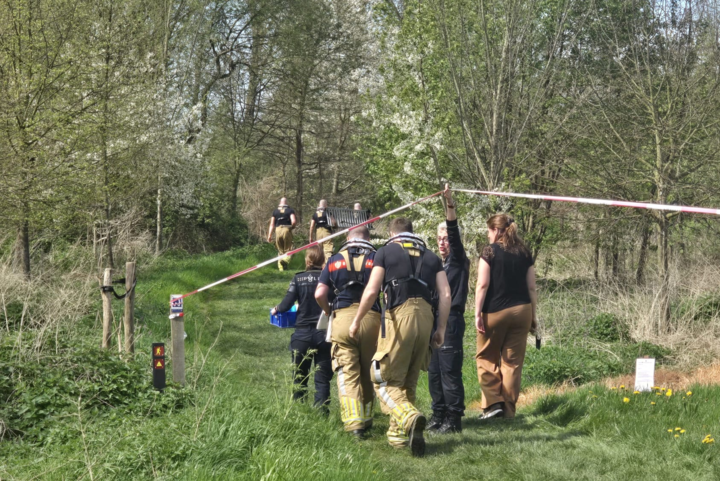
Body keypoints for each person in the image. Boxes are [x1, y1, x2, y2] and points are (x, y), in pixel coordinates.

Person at [349, 217, 451, 457]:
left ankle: (409, 416)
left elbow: (373, 289)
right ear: (412, 233)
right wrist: (441, 328)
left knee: (382, 378)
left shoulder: (385, 252)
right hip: (426, 316)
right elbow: (446, 294)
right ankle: (399, 437)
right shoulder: (433, 257)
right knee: (408, 380)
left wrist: (357, 319)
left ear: (393, 234)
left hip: (399, 315)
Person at [315, 226, 379, 439]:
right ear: (368, 238)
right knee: (369, 370)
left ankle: (354, 424)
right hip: (371, 318)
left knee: (347, 371)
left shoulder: (333, 260)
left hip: (342, 317)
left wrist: (328, 311)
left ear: (347, 238)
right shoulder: (377, 257)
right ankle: (368, 418)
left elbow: (319, 293)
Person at [474, 214, 537, 420]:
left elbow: (482, 285)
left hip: (495, 312)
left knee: (486, 357)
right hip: (522, 311)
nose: (487, 234)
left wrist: (477, 314)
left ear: (496, 230)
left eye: (489, 230)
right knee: (512, 363)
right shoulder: (525, 253)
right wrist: (533, 316)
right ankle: (509, 412)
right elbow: (531, 287)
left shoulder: (489, 251)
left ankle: (493, 404)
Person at [427, 184, 470, 434]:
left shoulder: (458, 260)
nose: (443, 242)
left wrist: (449, 204)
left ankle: (454, 419)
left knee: (449, 371)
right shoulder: (438, 263)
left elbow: (453, 232)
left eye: (446, 239)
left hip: (452, 320)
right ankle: (438, 413)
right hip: (434, 320)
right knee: (434, 371)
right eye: (439, 238)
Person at [271, 246, 333, 410]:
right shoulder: (329, 279)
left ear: (307, 261)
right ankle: (322, 413)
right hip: (324, 334)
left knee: (299, 376)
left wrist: (276, 309)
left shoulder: (298, 279)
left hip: (302, 335)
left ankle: (300, 411)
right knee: (322, 378)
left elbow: (285, 305)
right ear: (323, 261)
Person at [268, 197, 297, 271]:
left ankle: (281, 270)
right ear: (286, 203)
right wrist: (292, 227)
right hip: (286, 230)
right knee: (289, 249)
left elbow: (272, 224)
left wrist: (269, 235)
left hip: (277, 231)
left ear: (280, 203)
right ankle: (285, 261)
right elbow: (293, 221)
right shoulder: (290, 210)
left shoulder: (275, 212)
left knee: (280, 251)